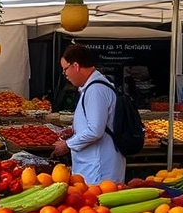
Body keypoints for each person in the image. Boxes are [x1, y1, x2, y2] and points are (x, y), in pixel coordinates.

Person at [50, 44, 126, 184]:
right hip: (93, 166)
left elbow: (95, 131)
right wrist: (74, 130)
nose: (64, 74)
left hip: (98, 169)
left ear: (76, 66)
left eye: (65, 69)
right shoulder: (93, 87)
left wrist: (68, 144)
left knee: (96, 203)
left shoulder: (95, 90)